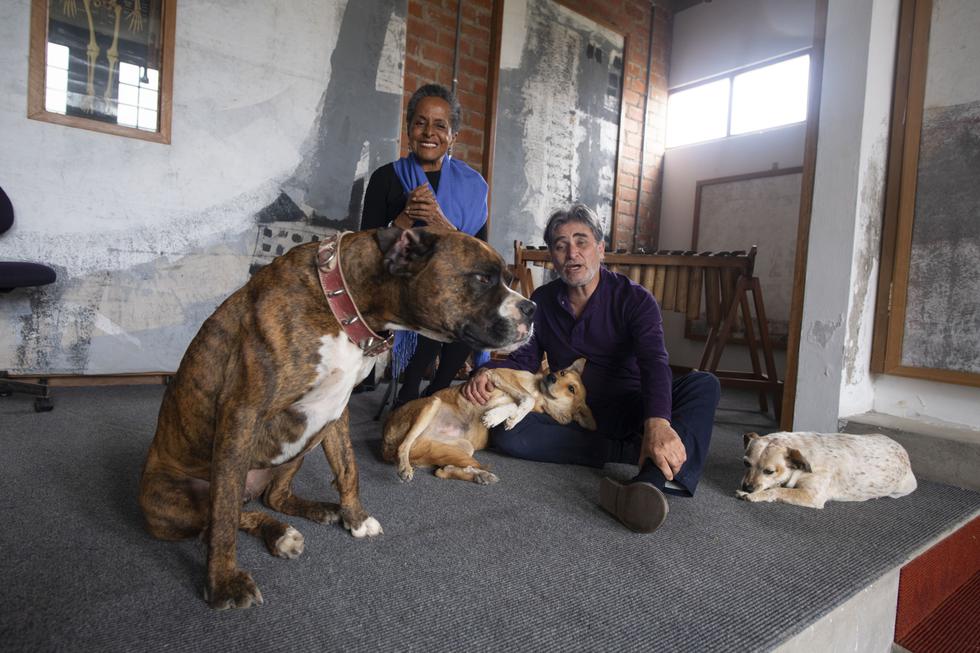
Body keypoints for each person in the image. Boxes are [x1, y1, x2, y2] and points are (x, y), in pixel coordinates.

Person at [462, 204, 720, 534]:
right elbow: (524, 362)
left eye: (581, 242)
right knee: (508, 433)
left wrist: (656, 423)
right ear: (552, 258)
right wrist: (485, 373)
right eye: (560, 245)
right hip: (572, 415)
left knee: (704, 385)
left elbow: (655, 363)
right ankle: (633, 455)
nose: (572, 253)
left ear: (600, 248)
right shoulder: (542, 299)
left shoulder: (635, 299)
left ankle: (650, 483)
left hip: (632, 407)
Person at [360, 83, 489, 404]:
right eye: (420, 122)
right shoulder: (385, 179)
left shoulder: (473, 186)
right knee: (438, 296)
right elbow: (363, 253)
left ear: (453, 137)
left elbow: (479, 257)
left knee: (470, 301)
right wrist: (405, 218)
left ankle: (436, 391)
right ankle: (409, 391)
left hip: (453, 285)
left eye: (440, 125)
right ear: (408, 129)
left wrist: (441, 224)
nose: (428, 132)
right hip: (396, 281)